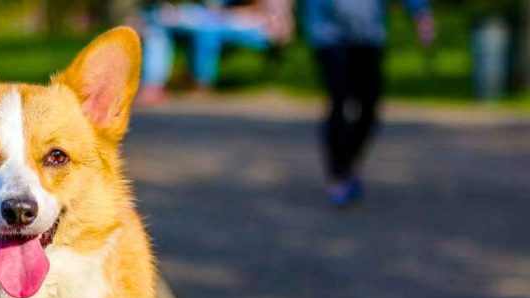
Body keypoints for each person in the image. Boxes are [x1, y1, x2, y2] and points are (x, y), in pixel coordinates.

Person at [306, 0, 435, 207]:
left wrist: (421, 14)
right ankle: (339, 175)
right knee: (339, 100)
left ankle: (349, 162)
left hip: (369, 34)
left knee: (370, 105)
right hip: (328, 33)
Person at [139, 0, 294, 103]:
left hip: (264, 26)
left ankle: (201, 83)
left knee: (207, 31)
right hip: (221, 18)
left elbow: (262, 10)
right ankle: (153, 86)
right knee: (157, 20)